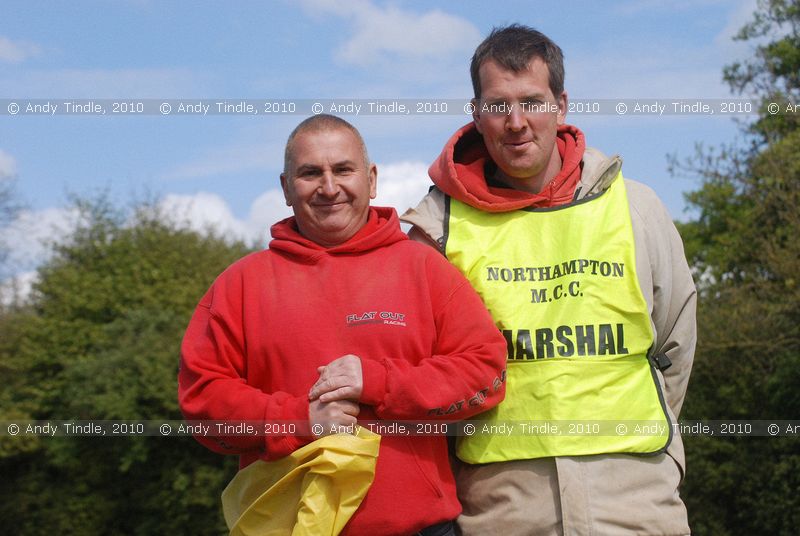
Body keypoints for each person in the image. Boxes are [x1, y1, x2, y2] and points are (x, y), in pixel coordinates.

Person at [402, 25, 697, 535]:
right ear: (476, 112)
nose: (516, 123)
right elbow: (418, 373)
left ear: (561, 106)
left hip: (637, 504)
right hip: (500, 511)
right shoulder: (436, 232)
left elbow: (675, 342)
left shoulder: (635, 207)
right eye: (498, 105)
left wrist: (652, 464)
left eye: (532, 102)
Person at [178, 114, 507, 536]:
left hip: (421, 528)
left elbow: (486, 370)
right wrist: (298, 419)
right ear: (285, 187)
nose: (329, 187)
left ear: (371, 180)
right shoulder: (239, 285)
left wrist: (379, 382)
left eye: (343, 170)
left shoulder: (424, 269)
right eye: (310, 173)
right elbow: (202, 402)